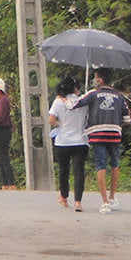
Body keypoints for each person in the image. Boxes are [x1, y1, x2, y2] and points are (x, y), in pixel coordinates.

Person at [72, 67, 129, 214]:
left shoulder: (93, 94)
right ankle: (112, 197)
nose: (93, 79)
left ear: (100, 79)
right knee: (115, 165)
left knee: (101, 165)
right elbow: (127, 118)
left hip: (97, 134)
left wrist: (65, 98)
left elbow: (75, 105)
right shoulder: (119, 96)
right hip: (115, 134)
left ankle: (104, 203)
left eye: (95, 77)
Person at [47, 73, 89, 211]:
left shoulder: (58, 101)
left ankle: (64, 198)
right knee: (79, 171)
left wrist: (61, 125)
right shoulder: (83, 101)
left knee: (64, 170)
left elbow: (51, 120)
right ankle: (78, 202)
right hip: (80, 141)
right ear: (76, 89)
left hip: (63, 142)